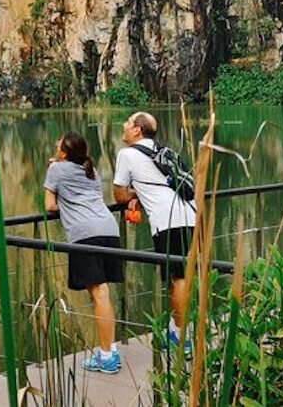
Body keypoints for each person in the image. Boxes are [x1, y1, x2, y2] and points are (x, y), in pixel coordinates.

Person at [112, 111, 197, 351]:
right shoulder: (165, 151)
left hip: (169, 221)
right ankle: (178, 330)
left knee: (178, 278)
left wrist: (135, 194)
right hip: (192, 215)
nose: (124, 125)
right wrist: (142, 192)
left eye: (128, 122)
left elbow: (119, 195)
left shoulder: (127, 154)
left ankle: (181, 338)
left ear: (137, 130)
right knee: (182, 276)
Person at [43, 131, 124, 374]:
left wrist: (67, 203)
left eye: (58, 143)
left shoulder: (56, 170)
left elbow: (49, 205)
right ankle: (109, 351)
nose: (56, 144)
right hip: (109, 228)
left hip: (85, 233)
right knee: (103, 293)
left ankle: (107, 357)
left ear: (64, 152)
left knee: (99, 293)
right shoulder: (92, 170)